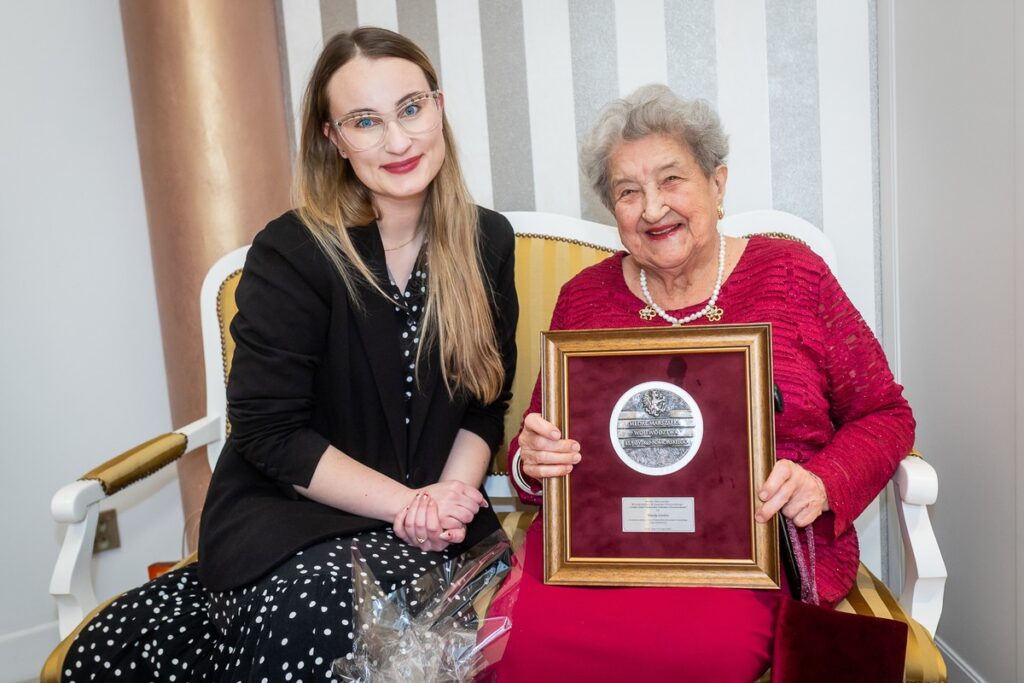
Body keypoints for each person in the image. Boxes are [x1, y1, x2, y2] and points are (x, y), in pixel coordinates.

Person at [61, 27, 517, 681]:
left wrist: (446, 498)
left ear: (439, 107)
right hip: (295, 521)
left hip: (435, 526)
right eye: (366, 121)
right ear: (332, 138)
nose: (398, 140)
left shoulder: (487, 241)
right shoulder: (293, 252)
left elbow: (486, 401)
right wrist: (406, 506)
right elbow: (270, 432)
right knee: (327, 621)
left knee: (473, 624)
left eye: (411, 108)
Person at [493, 84, 914, 681]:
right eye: (627, 192)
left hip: (748, 556)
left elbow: (886, 414)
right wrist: (532, 461)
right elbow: (532, 459)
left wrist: (822, 480)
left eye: (672, 180)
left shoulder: (792, 274)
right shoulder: (583, 300)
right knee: (530, 657)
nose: (652, 208)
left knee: (698, 656)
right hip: (599, 556)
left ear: (717, 184)